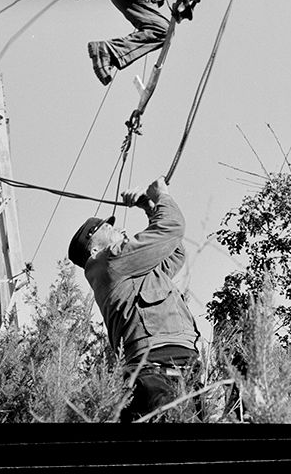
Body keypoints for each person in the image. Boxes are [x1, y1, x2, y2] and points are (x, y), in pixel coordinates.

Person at [68, 176, 202, 422]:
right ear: (94, 249)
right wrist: (161, 196)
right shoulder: (108, 262)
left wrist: (150, 209)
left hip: (174, 366)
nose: (119, 229)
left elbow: (173, 249)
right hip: (156, 368)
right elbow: (171, 228)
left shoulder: (130, 268)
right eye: (107, 228)